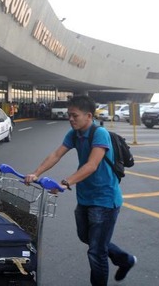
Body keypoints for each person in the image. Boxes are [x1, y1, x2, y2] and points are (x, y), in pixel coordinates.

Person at [23, 95, 136, 285]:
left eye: (74, 115)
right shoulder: (74, 134)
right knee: (86, 237)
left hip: (105, 199)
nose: (70, 119)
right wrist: (35, 173)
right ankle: (125, 259)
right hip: (85, 197)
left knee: (96, 252)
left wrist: (66, 182)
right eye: (69, 115)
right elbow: (56, 154)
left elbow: (92, 165)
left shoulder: (99, 133)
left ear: (88, 116)